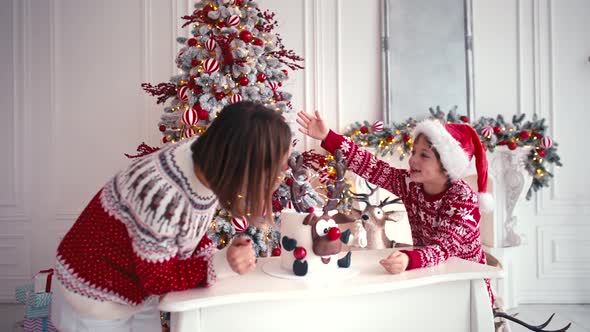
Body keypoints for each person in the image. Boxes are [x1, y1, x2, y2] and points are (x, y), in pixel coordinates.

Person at [51, 101, 293, 332]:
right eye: (273, 170)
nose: (278, 177)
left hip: (134, 287)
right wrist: (222, 263)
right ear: (243, 165)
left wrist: (219, 256)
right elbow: (158, 279)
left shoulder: (204, 157)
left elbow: (184, 232)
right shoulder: (162, 196)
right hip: (96, 293)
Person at [297, 110, 495, 305]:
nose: (412, 160)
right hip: (431, 276)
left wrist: (409, 260)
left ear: (446, 165)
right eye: (413, 152)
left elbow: (443, 249)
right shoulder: (411, 184)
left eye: (424, 155)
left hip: (467, 288)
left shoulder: (462, 198)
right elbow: (371, 166)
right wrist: (328, 137)